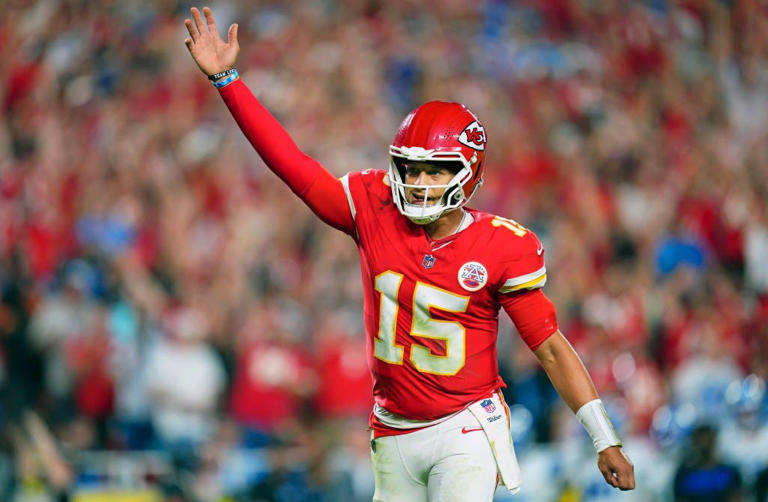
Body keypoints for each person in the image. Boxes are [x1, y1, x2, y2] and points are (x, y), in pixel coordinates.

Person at [183, 6, 635, 501]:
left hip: (465, 427)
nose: (419, 184)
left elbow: (549, 347)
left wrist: (603, 436)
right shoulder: (373, 205)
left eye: (436, 170)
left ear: (469, 171)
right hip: (392, 428)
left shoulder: (503, 244)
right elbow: (294, 167)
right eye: (410, 168)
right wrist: (227, 80)